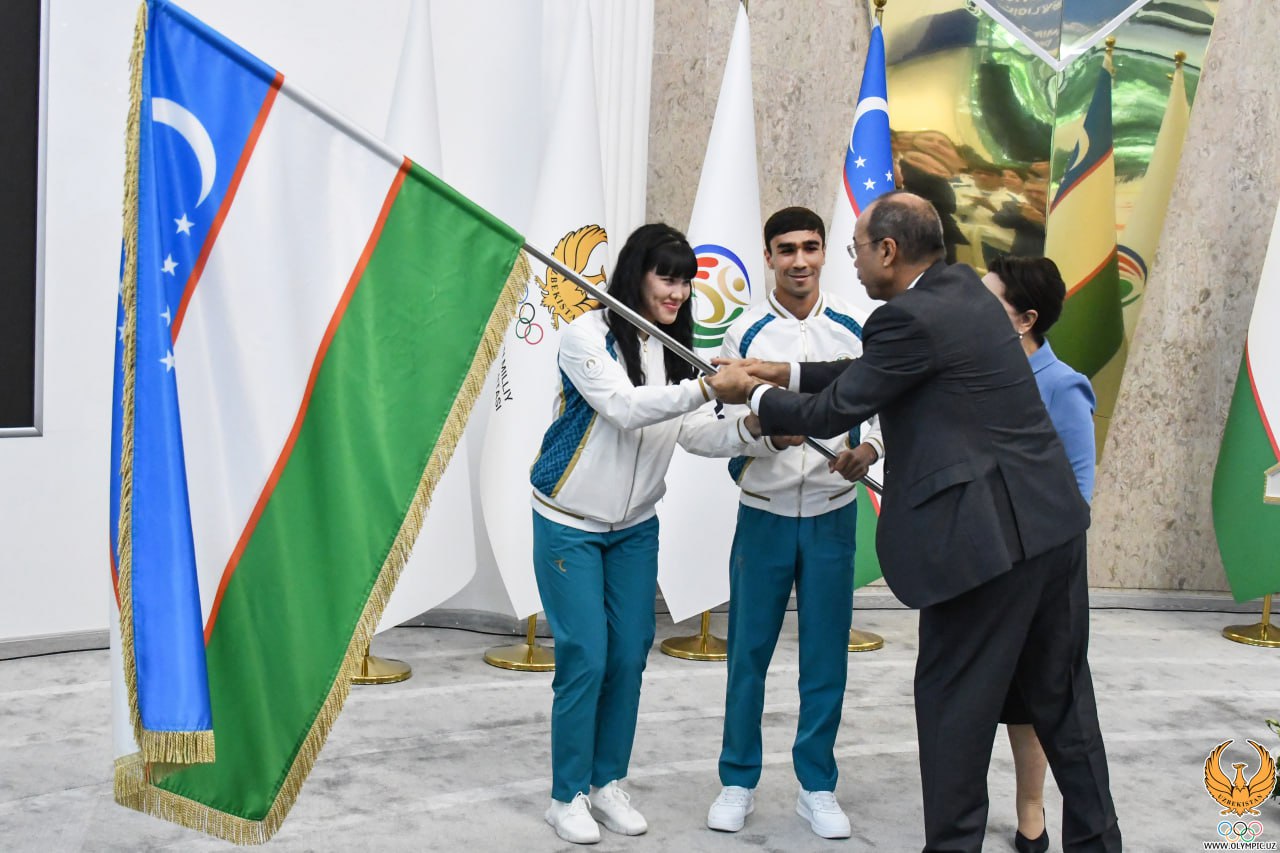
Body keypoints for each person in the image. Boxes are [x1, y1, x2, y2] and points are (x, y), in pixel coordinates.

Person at [706, 192, 1121, 852]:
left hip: (982, 547)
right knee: (1066, 706)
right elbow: (868, 371)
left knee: (955, 711)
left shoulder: (906, 317)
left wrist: (752, 392)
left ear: (889, 251)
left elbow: (835, 409)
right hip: (1052, 530)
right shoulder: (964, 293)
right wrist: (779, 368)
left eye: (855, 250)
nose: (853, 262)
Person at [529, 223, 759, 845]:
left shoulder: (671, 347)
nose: (678, 292)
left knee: (630, 652)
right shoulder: (585, 336)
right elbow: (626, 409)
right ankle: (566, 796)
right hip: (569, 524)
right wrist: (706, 386)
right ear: (637, 274)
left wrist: (752, 431)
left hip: (634, 528)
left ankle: (606, 783)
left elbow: (689, 432)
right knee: (586, 655)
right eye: (667, 277)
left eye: (686, 281)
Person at [700, 207, 883, 840]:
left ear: (825, 252)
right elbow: (712, 429)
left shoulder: (857, 325)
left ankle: (817, 786)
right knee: (748, 655)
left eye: (810, 247)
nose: (799, 260)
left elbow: (886, 408)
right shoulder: (744, 333)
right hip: (764, 516)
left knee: (826, 657)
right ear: (768, 256)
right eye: (786, 249)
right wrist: (764, 435)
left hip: (834, 516)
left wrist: (872, 449)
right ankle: (737, 781)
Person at [982, 255, 1097, 853]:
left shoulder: (1062, 385)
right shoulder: (976, 374)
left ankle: (1032, 809)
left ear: (1026, 320)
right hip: (979, 569)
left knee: (1035, 699)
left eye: (989, 302)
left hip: (1038, 575)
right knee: (977, 698)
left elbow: (1077, 496)